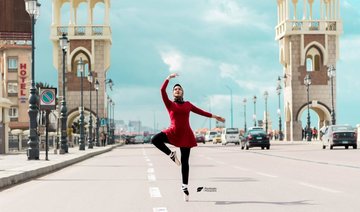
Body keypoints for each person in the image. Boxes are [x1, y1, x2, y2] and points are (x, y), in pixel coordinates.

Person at [151, 73, 225, 202]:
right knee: (154, 139)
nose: (177, 90)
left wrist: (215, 116)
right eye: (175, 89)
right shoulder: (169, 104)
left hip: (185, 135)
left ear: (182, 92)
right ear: (173, 93)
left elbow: (201, 112)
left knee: (185, 162)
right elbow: (162, 90)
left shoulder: (188, 105)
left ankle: (184, 187)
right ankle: (171, 155)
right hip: (172, 132)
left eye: (179, 89)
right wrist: (168, 78)